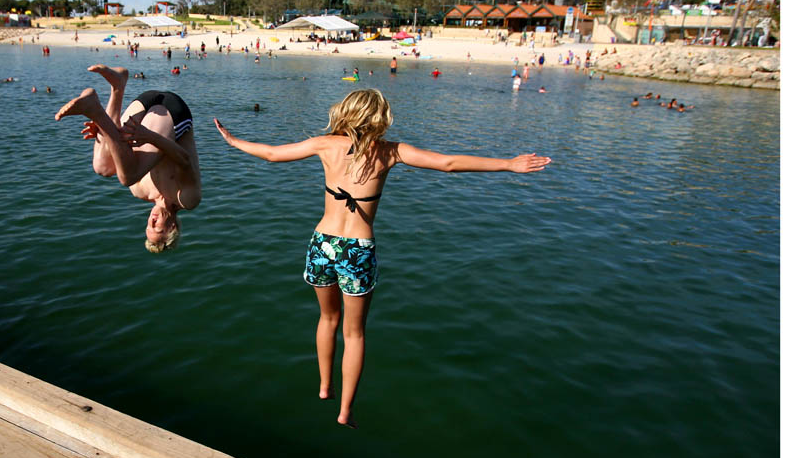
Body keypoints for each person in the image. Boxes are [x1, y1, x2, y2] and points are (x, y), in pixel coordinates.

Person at [213, 88, 550, 427]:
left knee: (327, 319)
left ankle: (324, 386)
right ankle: (345, 410)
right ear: (380, 118)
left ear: (345, 112)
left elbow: (271, 154)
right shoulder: (390, 152)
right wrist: (508, 164)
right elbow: (447, 164)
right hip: (357, 249)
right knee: (354, 333)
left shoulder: (326, 145)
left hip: (323, 244)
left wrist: (234, 141)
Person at [55, 65, 201, 253]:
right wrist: (149, 136)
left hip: (144, 105)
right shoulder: (187, 199)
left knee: (103, 167)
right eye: (157, 227)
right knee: (127, 177)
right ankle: (95, 111)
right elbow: (184, 159)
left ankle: (117, 86)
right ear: (172, 227)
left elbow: (121, 147)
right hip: (174, 112)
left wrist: (104, 134)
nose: (152, 220)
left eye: (148, 225)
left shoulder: (140, 192)